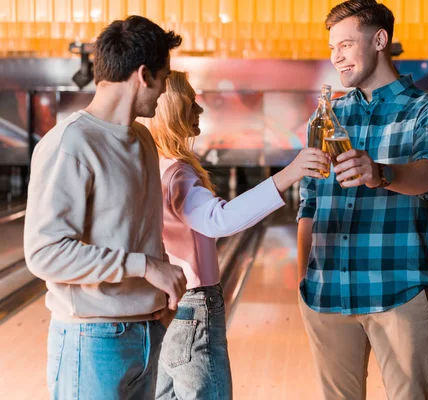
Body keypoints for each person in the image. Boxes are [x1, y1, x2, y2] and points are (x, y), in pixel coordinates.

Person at [23, 16, 188, 400]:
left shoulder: (144, 140)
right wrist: (146, 268)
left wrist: (160, 299)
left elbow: (143, 231)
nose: (165, 90)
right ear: (144, 75)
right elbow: (45, 253)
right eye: (164, 77)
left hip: (147, 331)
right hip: (91, 339)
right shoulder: (71, 143)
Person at [296, 1, 428, 398]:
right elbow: (309, 204)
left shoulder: (425, 111)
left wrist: (381, 173)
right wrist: (305, 282)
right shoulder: (327, 116)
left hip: (398, 290)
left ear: (380, 40)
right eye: (333, 48)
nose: (337, 57)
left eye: (346, 45)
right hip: (327, 292)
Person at [138, 71, 329, 400]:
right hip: (196, 309)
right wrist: (290, 173)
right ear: (173, 111)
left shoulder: (152, 164)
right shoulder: (179, 173)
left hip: (169, 306)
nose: (199, 110)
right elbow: (218, 219)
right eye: (190, 103)